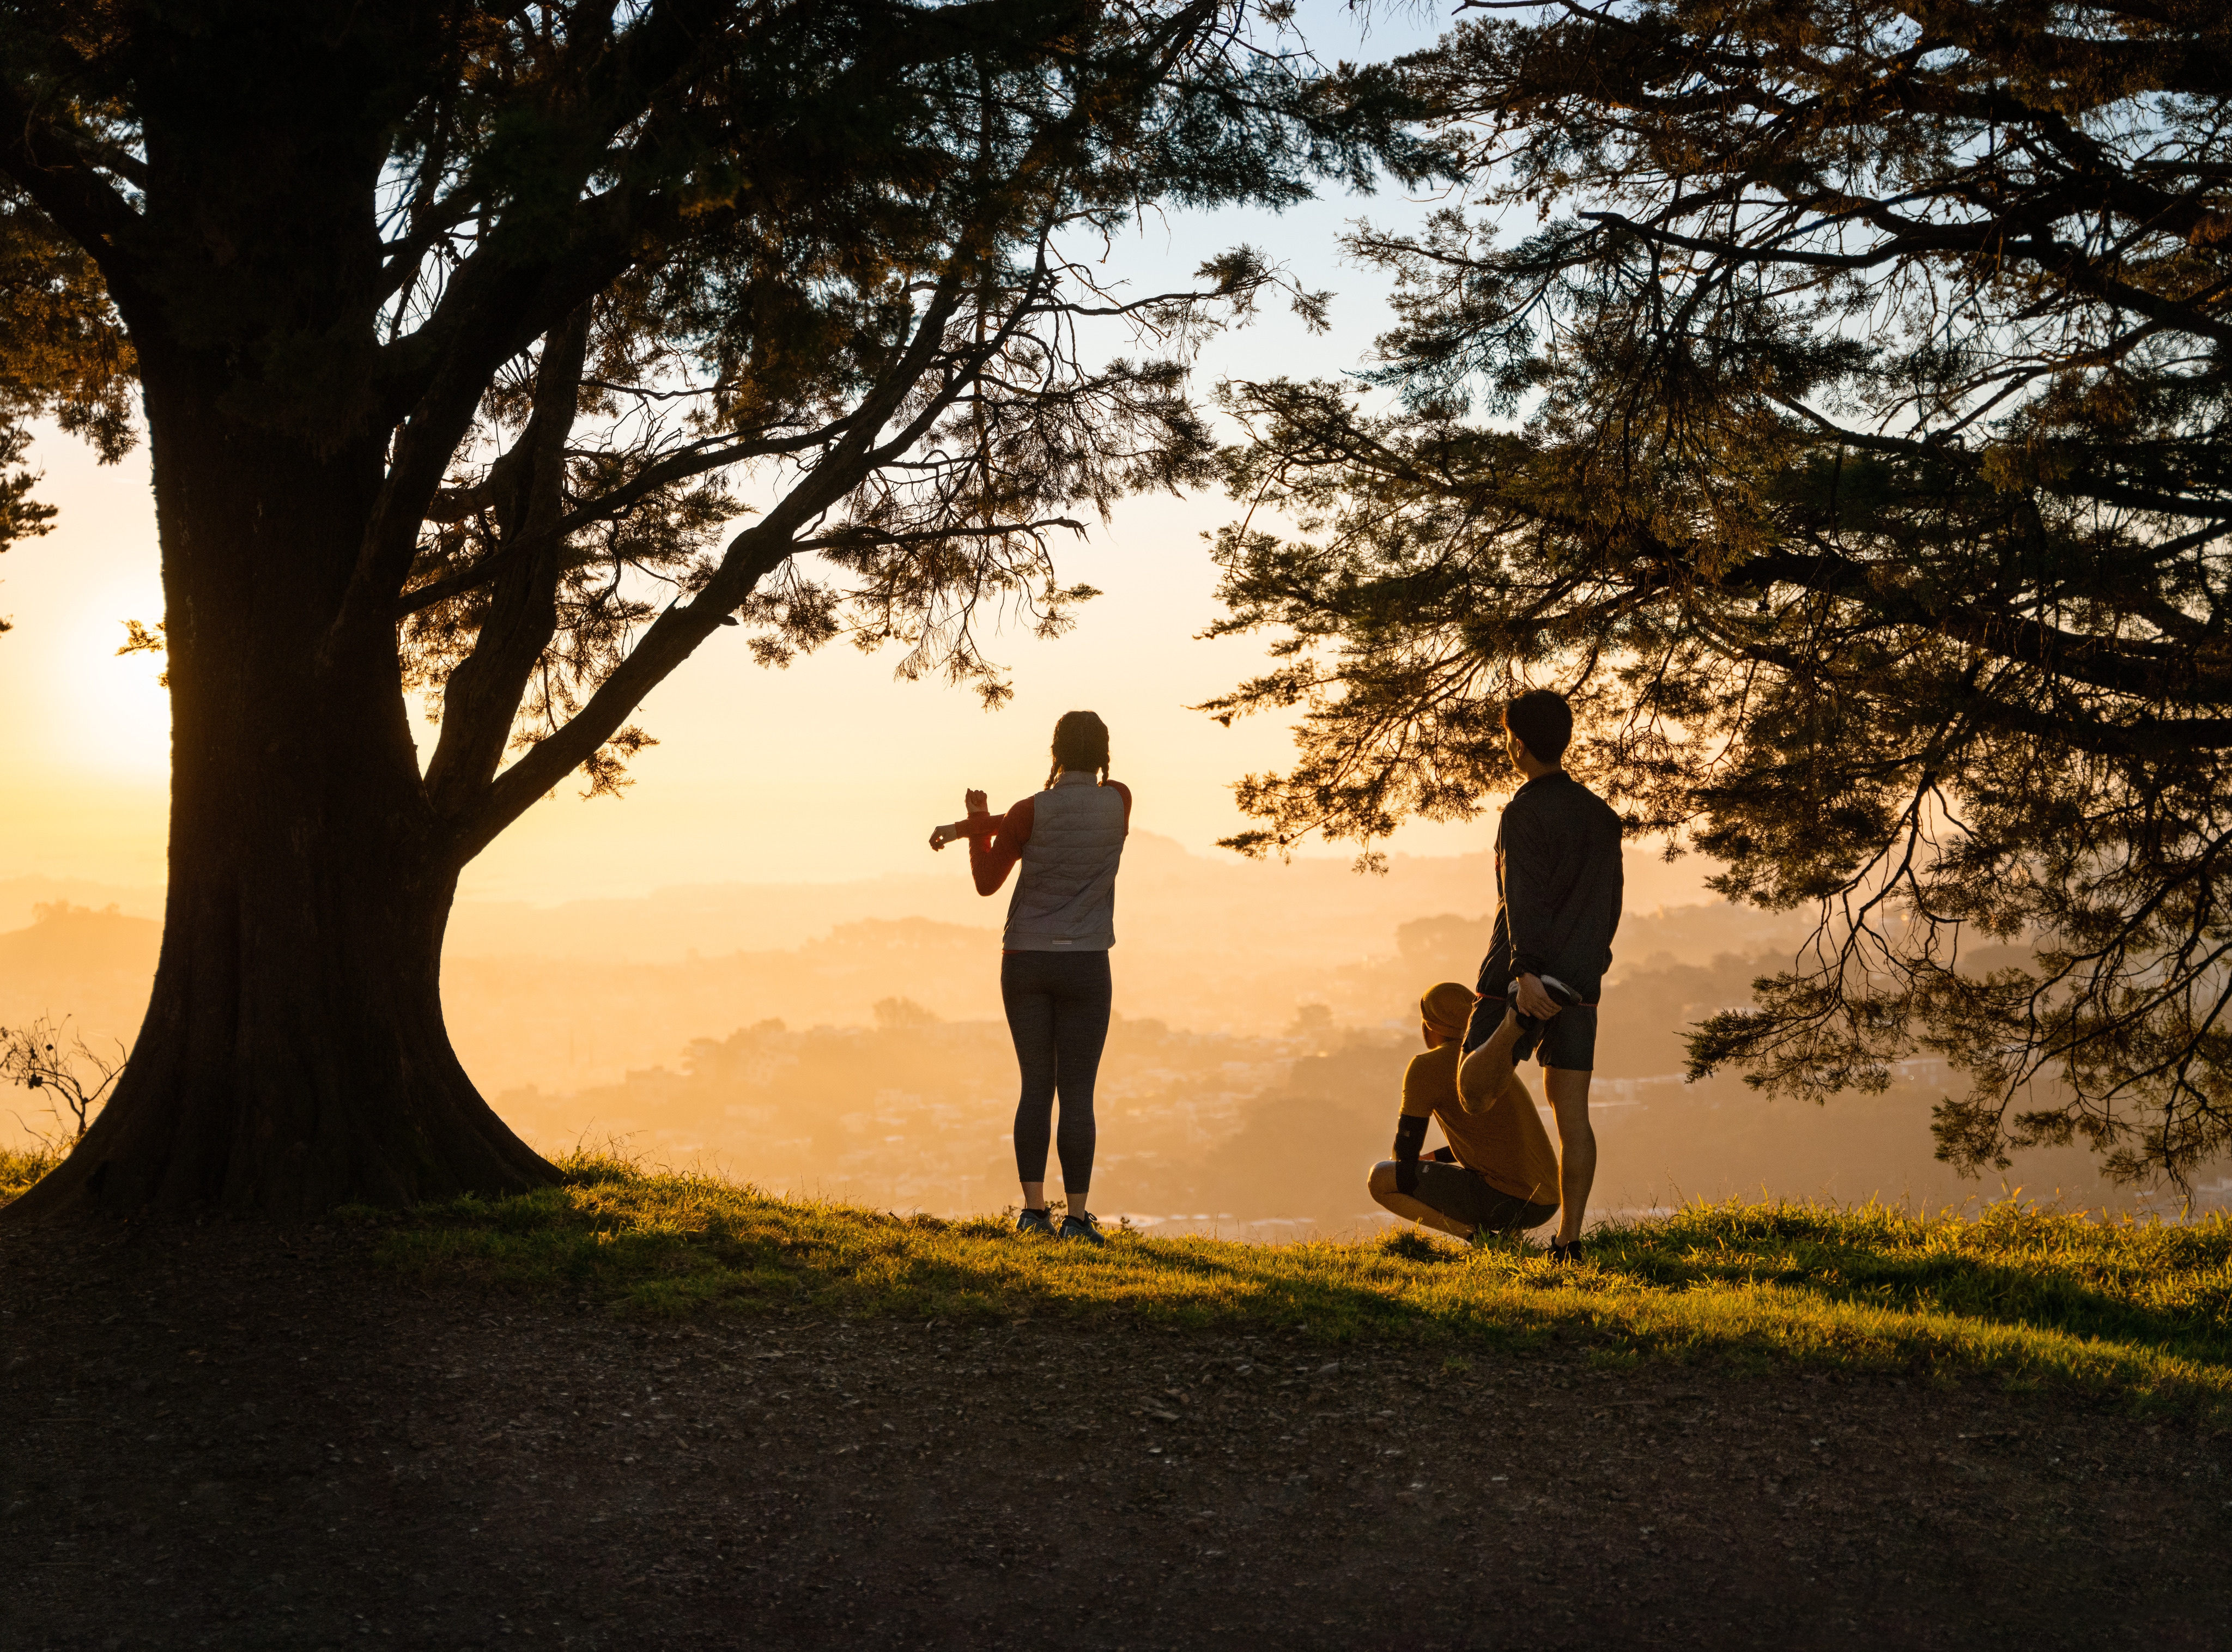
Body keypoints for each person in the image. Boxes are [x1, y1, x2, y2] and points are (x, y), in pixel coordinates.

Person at [929, 710, 1129, 1245]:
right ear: (1104, 752)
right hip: (1087, 961)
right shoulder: (1120, 801)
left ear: (1054, 749)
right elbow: (1039, 821)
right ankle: (1078, 1219)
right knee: (1079, 1093)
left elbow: (987, 882)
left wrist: (971, 826)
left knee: (1036, 1086)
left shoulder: (1028, 811)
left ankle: (1033, 1211)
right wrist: (971, 824)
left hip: (1025, 960)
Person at [1453, 688, 1623, 1262]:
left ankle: (1511, 1029)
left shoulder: (1521, 811)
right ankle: (1569, 1241)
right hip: (1578, 983)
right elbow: (1609, 903)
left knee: (1472, 1091)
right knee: (1572, 1116)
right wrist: (1589, 967)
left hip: (1520, 975)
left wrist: (1524, 974)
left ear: (1518, 745)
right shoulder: (1602, 816)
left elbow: (1519, 897)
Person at [1369, 982, 1561, 1241]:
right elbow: (1492, 1143)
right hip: (1546, 1200)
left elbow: (1404, 1154)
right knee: (1487, 1176)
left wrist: (1411, 1164)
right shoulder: (1488, 1060)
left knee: (1381, 1178)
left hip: (1507, 1199)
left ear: (1432, 1025)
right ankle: (1509, 1238)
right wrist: (1434, 1159)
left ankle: (1478, 1238)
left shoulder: (1426, 1067)